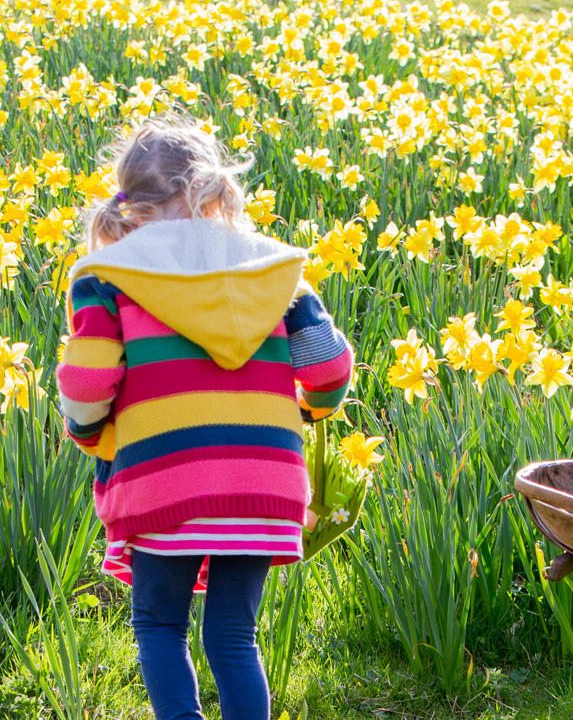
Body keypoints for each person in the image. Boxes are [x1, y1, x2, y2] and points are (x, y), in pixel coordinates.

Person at [55, 117, 354, 720]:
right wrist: (308, 412)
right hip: (264, 481)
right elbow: (327, 364)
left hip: (166, 477)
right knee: (233, 636)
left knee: (160, 626)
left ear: (130, 202)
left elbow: (88, 383)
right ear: (212, 189)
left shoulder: (108, 275)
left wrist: (88, 433)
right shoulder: (273, 268)